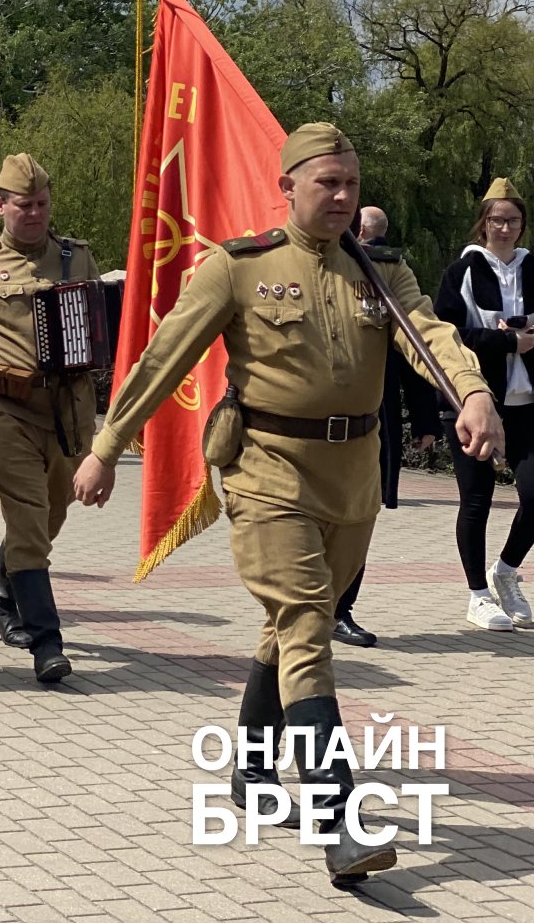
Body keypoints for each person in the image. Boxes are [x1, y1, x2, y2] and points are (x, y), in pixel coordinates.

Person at [73, 123, 500, 885]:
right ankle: (340, 821)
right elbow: (162, 354)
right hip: (267, 469)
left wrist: (471, 393)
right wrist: (108, 447)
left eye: (351, 185)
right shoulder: (238, 268)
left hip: (353, 475)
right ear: (289, 187)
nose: (341, 197)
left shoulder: (383, 272)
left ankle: (251, 764)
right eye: (326, 183)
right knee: (309, 626)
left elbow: (430, 335)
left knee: (289, 625)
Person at [0, 154, 99, 679]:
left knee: (50, 517)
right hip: (5, 411)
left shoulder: (79, 260)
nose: (34, 214)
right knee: (29, 520)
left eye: (42, 204)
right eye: (23, 205)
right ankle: (47, 643)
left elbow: (102, 332)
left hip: (67, 416)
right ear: (0, 206)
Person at [335, 207, 442, 646]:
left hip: (372, 420)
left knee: (362, 517)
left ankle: (340, 610)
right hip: (311, 427)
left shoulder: (385, 273)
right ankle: (311, 610)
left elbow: (414, 348)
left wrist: (426, 420)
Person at [433, 178, 534, 631]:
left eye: (513, 220)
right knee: (477, 499)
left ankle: (507, 572)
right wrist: (507, 340)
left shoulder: (533, 268)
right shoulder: (464, 272)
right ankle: (477, 594)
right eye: (497, 219)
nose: (505, 227)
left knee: (533, 493)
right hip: (474, 400)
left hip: (527, 401)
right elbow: (447, 337)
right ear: (484, 223)